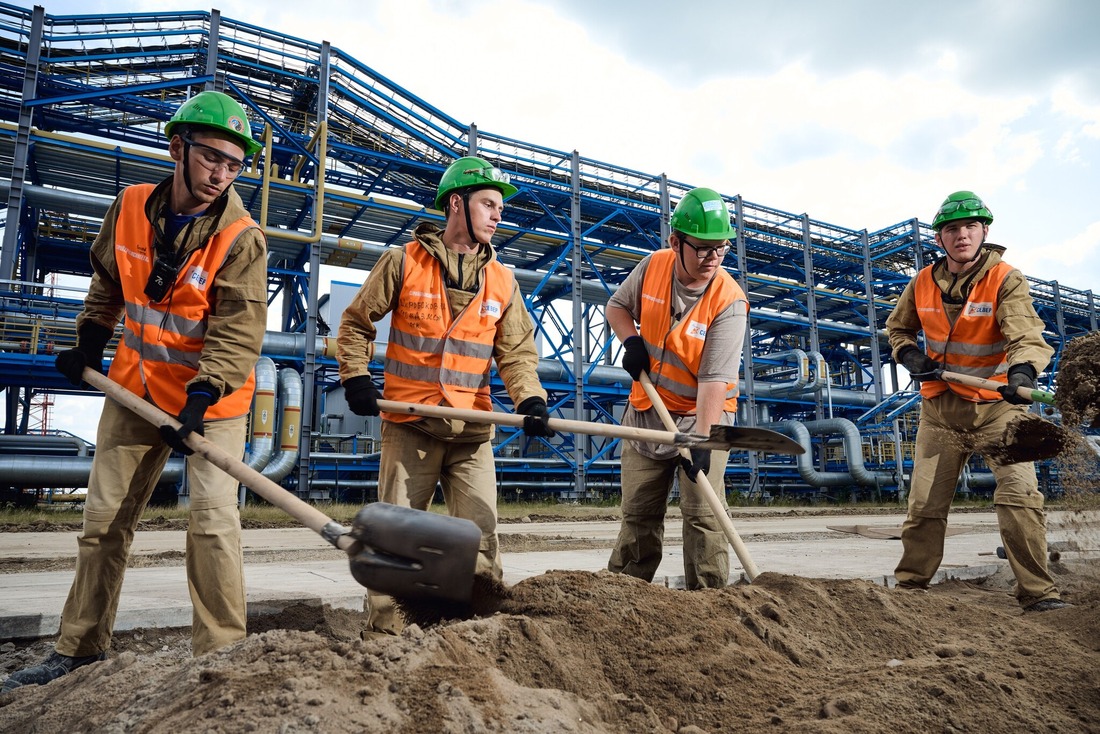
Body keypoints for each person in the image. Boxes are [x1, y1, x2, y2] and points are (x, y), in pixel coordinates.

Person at [2, 91, 268, 693]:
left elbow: (237, 331)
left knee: (212, 523)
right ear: (178, 148)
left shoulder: (241, 238)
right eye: (211, 160)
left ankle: (222, 657)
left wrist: (200, 400)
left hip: (212, 403)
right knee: (103, 522)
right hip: (134, 388)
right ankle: (79, 649)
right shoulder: (128, 207)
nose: (221, 175)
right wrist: (91, 340)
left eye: (234, 165)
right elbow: (108, 279)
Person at [336, 155, 552, 632]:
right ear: (457, 203)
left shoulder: (502, 280)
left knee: (481, 537)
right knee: (394, 540)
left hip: (472, 429)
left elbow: (516, 352)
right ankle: (386, 640)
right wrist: (355, 376)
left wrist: (530, 400)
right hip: (410, 424)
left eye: (500, 208)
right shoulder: (403, 262)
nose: (499, 216)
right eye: (489, 205)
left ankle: (478, 634)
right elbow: (355, 325)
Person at [887, 190, 1068, 612]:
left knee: (1019, 496)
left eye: (970, 226)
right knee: (925, 506)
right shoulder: (922, 283)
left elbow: (1025, 334)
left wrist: (1022, 373)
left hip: (998, 410)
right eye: (952, 229)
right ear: (940, 238)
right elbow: (898, 331)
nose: (962, 235)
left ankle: (1039, 594)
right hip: (940, 411)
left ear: (984, 232)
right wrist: (912, 356)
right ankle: (911, 588)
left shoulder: (1005, 278)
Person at [606, 187, 749, 589]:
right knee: (638, 514)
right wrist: (630, 340)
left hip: (700, 414)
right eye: (703, 249)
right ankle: (621, 594)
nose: (712, 259)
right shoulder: (653, 266)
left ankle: (709, 601)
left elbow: (714, 380)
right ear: (675, 242)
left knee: (703, 516)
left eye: (721, 249)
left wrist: (702, 440)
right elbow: (616, 306)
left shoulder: (729, 301)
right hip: (647, 414)